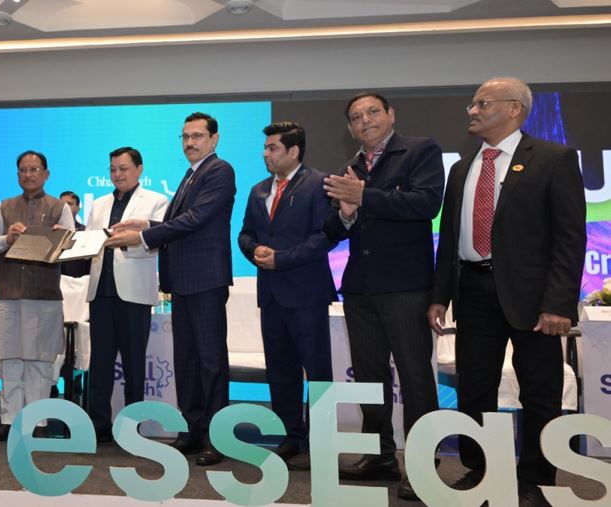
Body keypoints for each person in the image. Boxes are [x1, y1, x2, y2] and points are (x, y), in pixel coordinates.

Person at [428, 77, 586, 506]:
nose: (472, 111)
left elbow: (569, 238)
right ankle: (481, 471)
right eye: (472, 104)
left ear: (514, 108)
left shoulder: (553, 159)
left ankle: (535, 478)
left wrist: (558, 303)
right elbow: (449, 238)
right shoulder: (462, 167)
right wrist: (440, 295)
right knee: (474, 388)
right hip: (472, 290)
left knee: (539, 389)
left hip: (533, 298)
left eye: (482, 103)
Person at [322, 92, 444, 500]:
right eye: (356, 117)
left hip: (406, 286)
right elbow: (331, 231)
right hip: (360, 287)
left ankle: (424, 464)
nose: (365, 120)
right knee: (369, 377)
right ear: (349, 128)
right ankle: (380, 456)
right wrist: (345, 214)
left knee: (415, 377)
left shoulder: (420, 151)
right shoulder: (349, 168)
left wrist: (363, 197)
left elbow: (426, 204)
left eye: (373, 112)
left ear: (391, 114)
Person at [106, 112, 235, 466]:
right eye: (185, 136)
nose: (190, 142)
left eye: (197, 136)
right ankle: (192, 431)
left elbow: (197, 219)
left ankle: (216, 438)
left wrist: (144, 235)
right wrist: (146, 223)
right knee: (187, 361)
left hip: (205, 279)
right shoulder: (191, 174)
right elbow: (180, 221)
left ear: (214, 139)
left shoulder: (219, 170)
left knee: (210, 361)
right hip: (183, 281)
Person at [238, 122, 335, 470]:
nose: (265, 154)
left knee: (317, 371)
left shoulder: (319, 184)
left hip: (306, 292)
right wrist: (254, 251)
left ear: (294, 151)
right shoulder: (258, 189)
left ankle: (322, 442)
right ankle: (290, 437)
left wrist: (282, 259)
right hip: (271, 295)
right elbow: (245, 234)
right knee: (280, 372)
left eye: (272, 148)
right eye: (265, 147)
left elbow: (325, 236)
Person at [0, 150, 74, 441]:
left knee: (40, 361)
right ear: (17, 174)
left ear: (46, 174)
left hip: (44, 295)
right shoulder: (3, 206)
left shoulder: (60, 207)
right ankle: (10, 420)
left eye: (34, 169)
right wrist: (6, 239)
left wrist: (59, 238)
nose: (29, 174)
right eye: (23, 170)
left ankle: (39, 421)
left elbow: (72, 245)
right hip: (8, 294)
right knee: (10, 359)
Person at [85, 147, 168, 442]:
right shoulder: (98, 204)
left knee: (134, 363)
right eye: (113, 169)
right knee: (100, 362)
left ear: (139, 169)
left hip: (133, 294)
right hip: (101, 291)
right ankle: (98, 425)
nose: (117, 174)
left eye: (123, 168)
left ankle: (132, 427)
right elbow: (91, 243)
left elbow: (158, 242)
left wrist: (125, 241)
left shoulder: (157, 201)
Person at [59, 190, 91, 278]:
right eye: (62, 204)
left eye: (69, 204)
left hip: (78, 280)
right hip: (53, 279)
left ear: (78, 208)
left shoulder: (86, 231)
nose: (65, 207)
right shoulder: (51, 230)